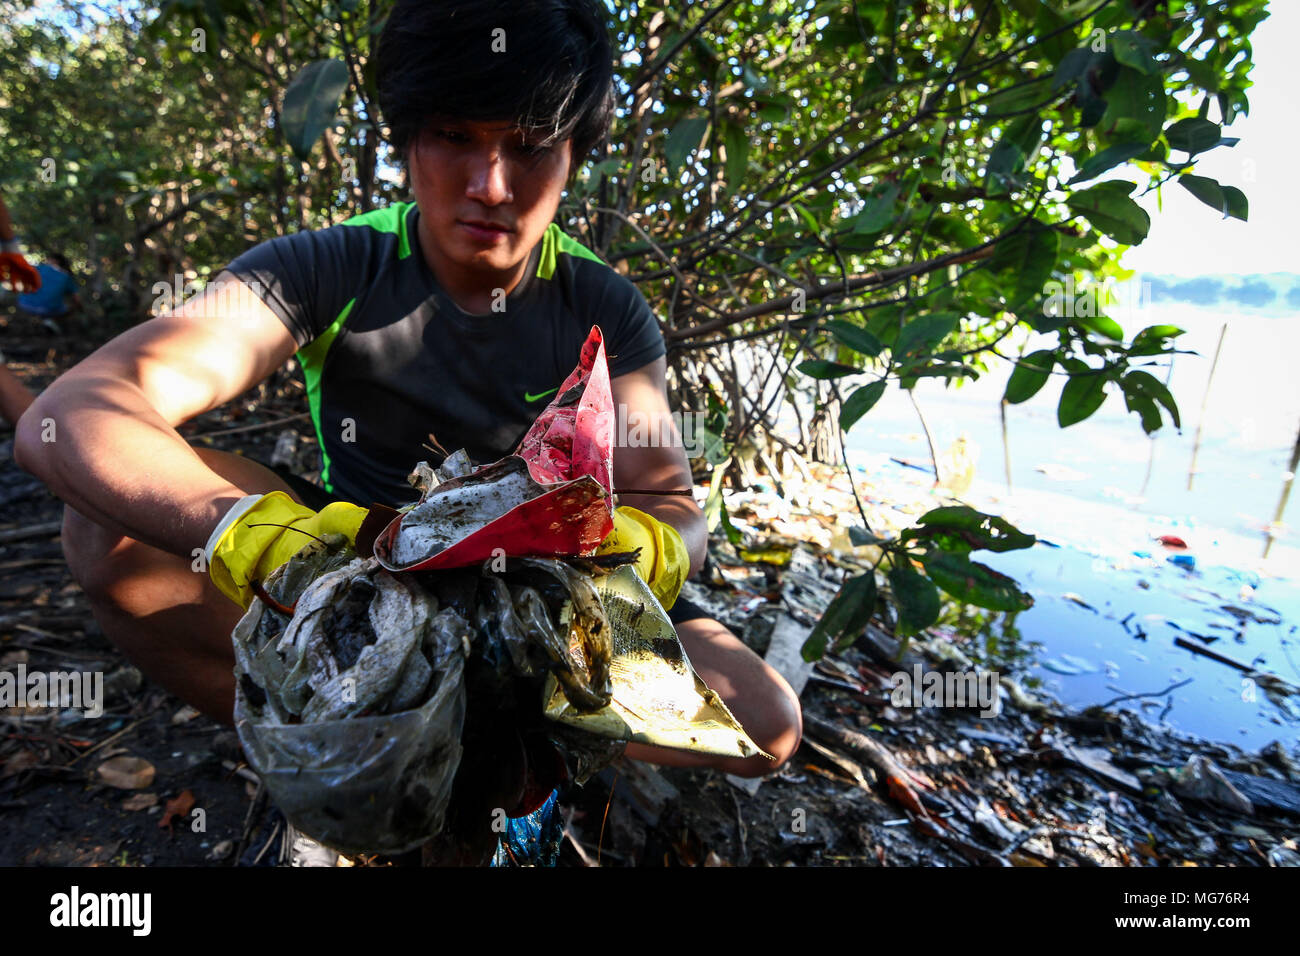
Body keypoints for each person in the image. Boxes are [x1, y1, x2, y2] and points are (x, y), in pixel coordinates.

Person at [14, 0, 801, 785]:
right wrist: (261, 537)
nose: (490, 185)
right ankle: (328, 761)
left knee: (763, 723)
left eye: (529, 147)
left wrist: (653, 549)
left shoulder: (605, 307)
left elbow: (670, 498)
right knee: (105, 532)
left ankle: (484, 744)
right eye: (455, 136)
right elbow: (75, 411)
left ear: (574, 157)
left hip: (554, 593)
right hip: (351, 564)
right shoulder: (326, 266)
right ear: (408, 139)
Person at [16, 252, 81, 322]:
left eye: (48, 259)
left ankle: (43, 321)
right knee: (65, 308)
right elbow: (76, 299)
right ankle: (50, 322)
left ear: (55, 260)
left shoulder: (39, 268)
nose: (46, 261)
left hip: (25, 304)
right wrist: (80, 309)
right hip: (49, 310)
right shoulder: (66, 277)